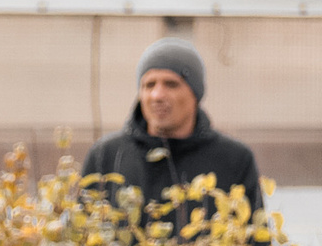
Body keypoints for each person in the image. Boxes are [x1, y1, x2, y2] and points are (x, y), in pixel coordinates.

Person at [81, 39, 264, 232]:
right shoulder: (107, 155)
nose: (157, 95)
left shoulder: (233, 159)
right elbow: (81, 239)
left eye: (171, 84)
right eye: (149, 85)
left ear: (195, 93)